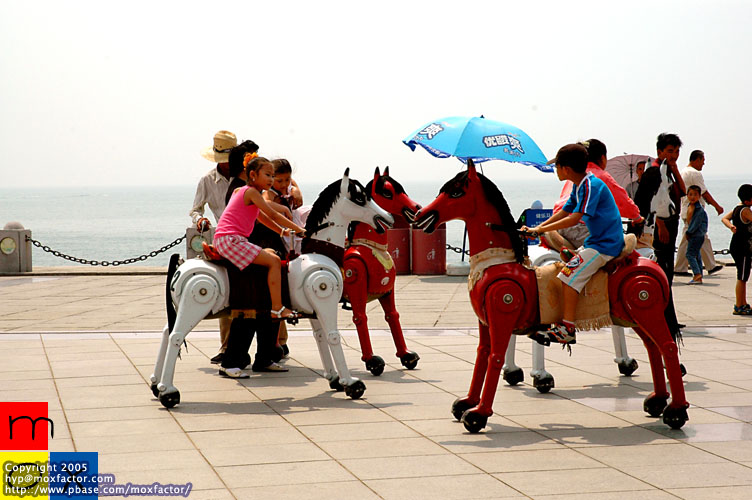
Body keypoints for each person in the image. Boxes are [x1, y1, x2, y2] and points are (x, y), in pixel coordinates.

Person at [523, 143, 624, 345]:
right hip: (594, 241)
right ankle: (576, 258)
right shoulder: (579, 185)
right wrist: (537, 228)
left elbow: (574, 218)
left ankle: (567, 328)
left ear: (566, 169)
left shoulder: (590, 186)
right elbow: (562, 212)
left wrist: (540, 230)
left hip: (604, 245)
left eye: (557, 167)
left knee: (567, 276)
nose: (555, 170)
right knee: (567, 259)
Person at [213, 156, 306, 322]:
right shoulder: (251, 192)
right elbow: (272, 213)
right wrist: (298, 229)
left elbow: (261, 218)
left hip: (226, 239)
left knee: (269, 253)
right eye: (267, 175)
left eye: (272, 176)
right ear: (253, 175)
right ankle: (277, 308)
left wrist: (282, 231)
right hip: (231, 240)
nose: (271, 179)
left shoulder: (241, 191)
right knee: (274, 261)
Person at [188, 130, 238, 365]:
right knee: (225, 290)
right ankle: (226, 346)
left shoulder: (248, 176)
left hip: (250, 237)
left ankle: (279, 341)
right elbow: (196, 209)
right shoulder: (207, 180)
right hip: (224, 239)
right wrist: (199, 221)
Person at [544, 139, 642, 252]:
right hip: (579, 229)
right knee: (620, 246)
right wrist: (638, 218)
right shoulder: (600, 178)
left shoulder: (574, 177)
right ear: (602, 158)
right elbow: (624, 204)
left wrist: (541, 227)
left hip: (559, 226)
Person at [634, 133, 686, 338]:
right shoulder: (654, 172)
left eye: (676, 151)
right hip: (659, 228)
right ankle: (665, 318)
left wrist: (674, 168)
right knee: (663, 273)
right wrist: (661, 225)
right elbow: (651, 204)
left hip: (670, 225)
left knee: (668, 274)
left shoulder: (666, 170)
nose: (674, 155)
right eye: (670, 151)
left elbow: (682, 192)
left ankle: (669, 317)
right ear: (660, 151)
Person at [674, 150, 724, 275]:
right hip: (694, 211)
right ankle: (681, 268)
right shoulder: (695, 174)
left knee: (700, 238)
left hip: (686, 209)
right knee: (691, 238)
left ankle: (709, 265)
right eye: (702, 161)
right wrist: (717, 206)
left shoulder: (683, 172)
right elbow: (704, 192)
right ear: (697, 159)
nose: (703, 164)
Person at [721, 184, 752, 316]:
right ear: (748, 200)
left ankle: (742, 302)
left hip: (736, 246)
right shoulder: (745, 210)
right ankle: (739, 305)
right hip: (743, 247)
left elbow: (724, 218)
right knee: (742, 277)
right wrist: (732, 227)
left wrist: (731, 227)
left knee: (742, 275)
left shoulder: (737, 208)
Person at [684, 185, 709, 284]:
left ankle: (697, 273)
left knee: (689, 254)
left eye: (695, 195)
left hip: (696, 235)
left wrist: (688, 232)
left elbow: (695, 223)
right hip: (695, 234)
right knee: (697, 255)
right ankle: (699, 276)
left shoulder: (699, 210)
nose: (692, 197)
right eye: (690, 194)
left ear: (699, 196)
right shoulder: (690, 206)